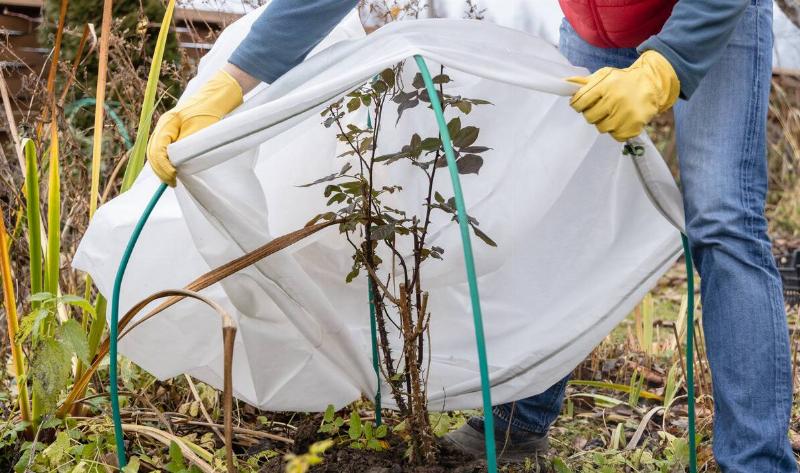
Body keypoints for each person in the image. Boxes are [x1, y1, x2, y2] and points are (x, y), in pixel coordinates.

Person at [147, 1, 795, 471]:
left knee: (721, 220)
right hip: (597, 26)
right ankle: (520, 420)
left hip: (710, 13)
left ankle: (757, 460)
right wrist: (231, 79)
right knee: (555, 208)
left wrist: (664, 69)